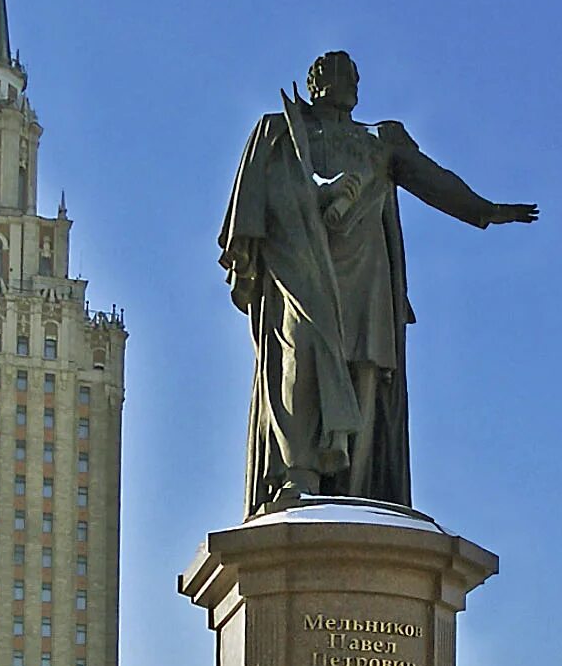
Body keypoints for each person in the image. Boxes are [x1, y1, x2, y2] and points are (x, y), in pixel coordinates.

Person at [219, 51, 537, 516]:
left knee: (365, 368)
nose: (345, 82)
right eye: (332, 74)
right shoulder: (281, 132)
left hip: (365, 273)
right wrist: (317, 194)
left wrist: (483, 210)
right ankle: (298, 476)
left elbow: (432, 179)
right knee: (301, 352)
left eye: (351, 75)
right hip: (301, 266)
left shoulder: (380, 138)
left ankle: (360, 488)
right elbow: (257, 204)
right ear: (313, 83)